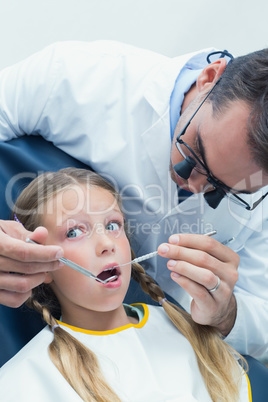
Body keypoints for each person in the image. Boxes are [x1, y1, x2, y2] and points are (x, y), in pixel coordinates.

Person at [0, 41, 268, 360]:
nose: (193, 186)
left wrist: (227, 312)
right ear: (209, 77)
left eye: (222, 190)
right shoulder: (72, 76)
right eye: (194, 153)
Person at [0, 167, 251, 402]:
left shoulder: (188, 332)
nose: (107, 243)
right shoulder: (23, 382)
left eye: (112, 226)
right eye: (75, 232)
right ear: (37, 262)